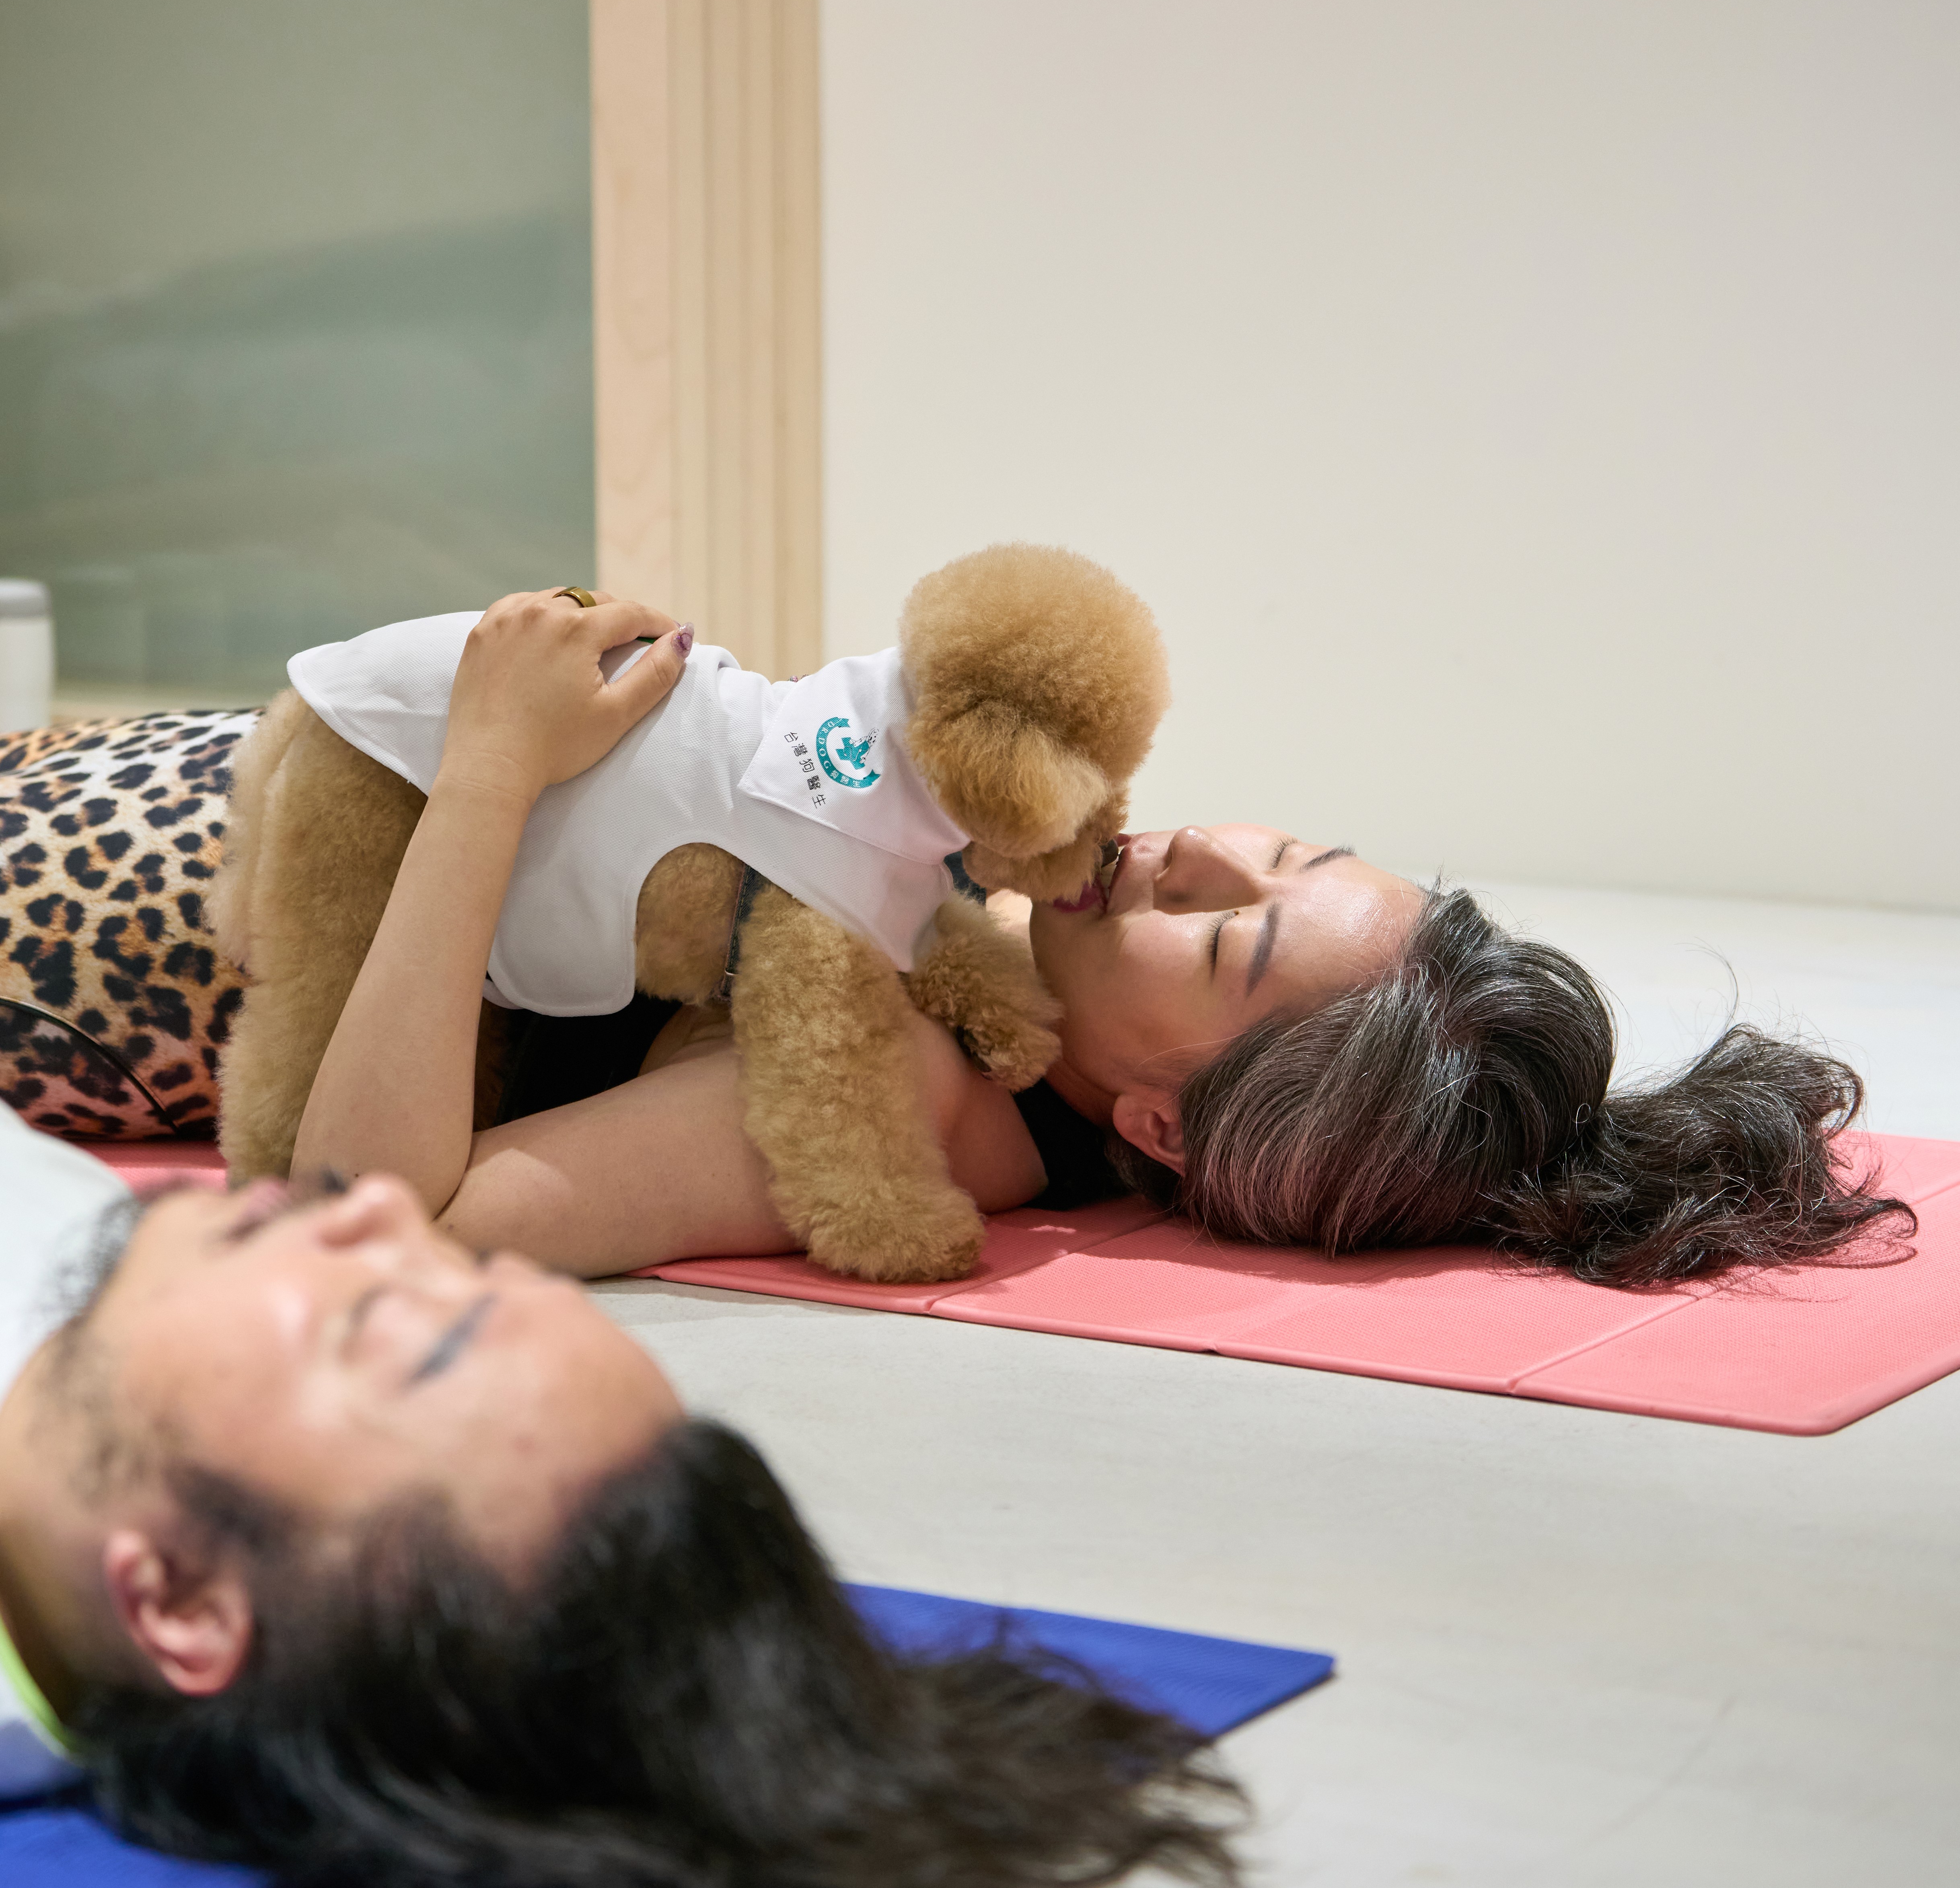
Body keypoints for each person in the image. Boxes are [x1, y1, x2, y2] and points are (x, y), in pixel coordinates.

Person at [1, 592, 1908, 1291]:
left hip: (76, 916)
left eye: (1224, 940)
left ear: (1158, 1123)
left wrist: (490, 770)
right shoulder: (993, 914)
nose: (1192, 851)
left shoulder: (898, 1100)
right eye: (1287, 848)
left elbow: (386, 1211)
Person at [0, 1100, 1241, 1888]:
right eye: (471, 1271)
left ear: (179, 1600)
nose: (382, 1210)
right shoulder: (108, 1287)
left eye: (381, 1319)